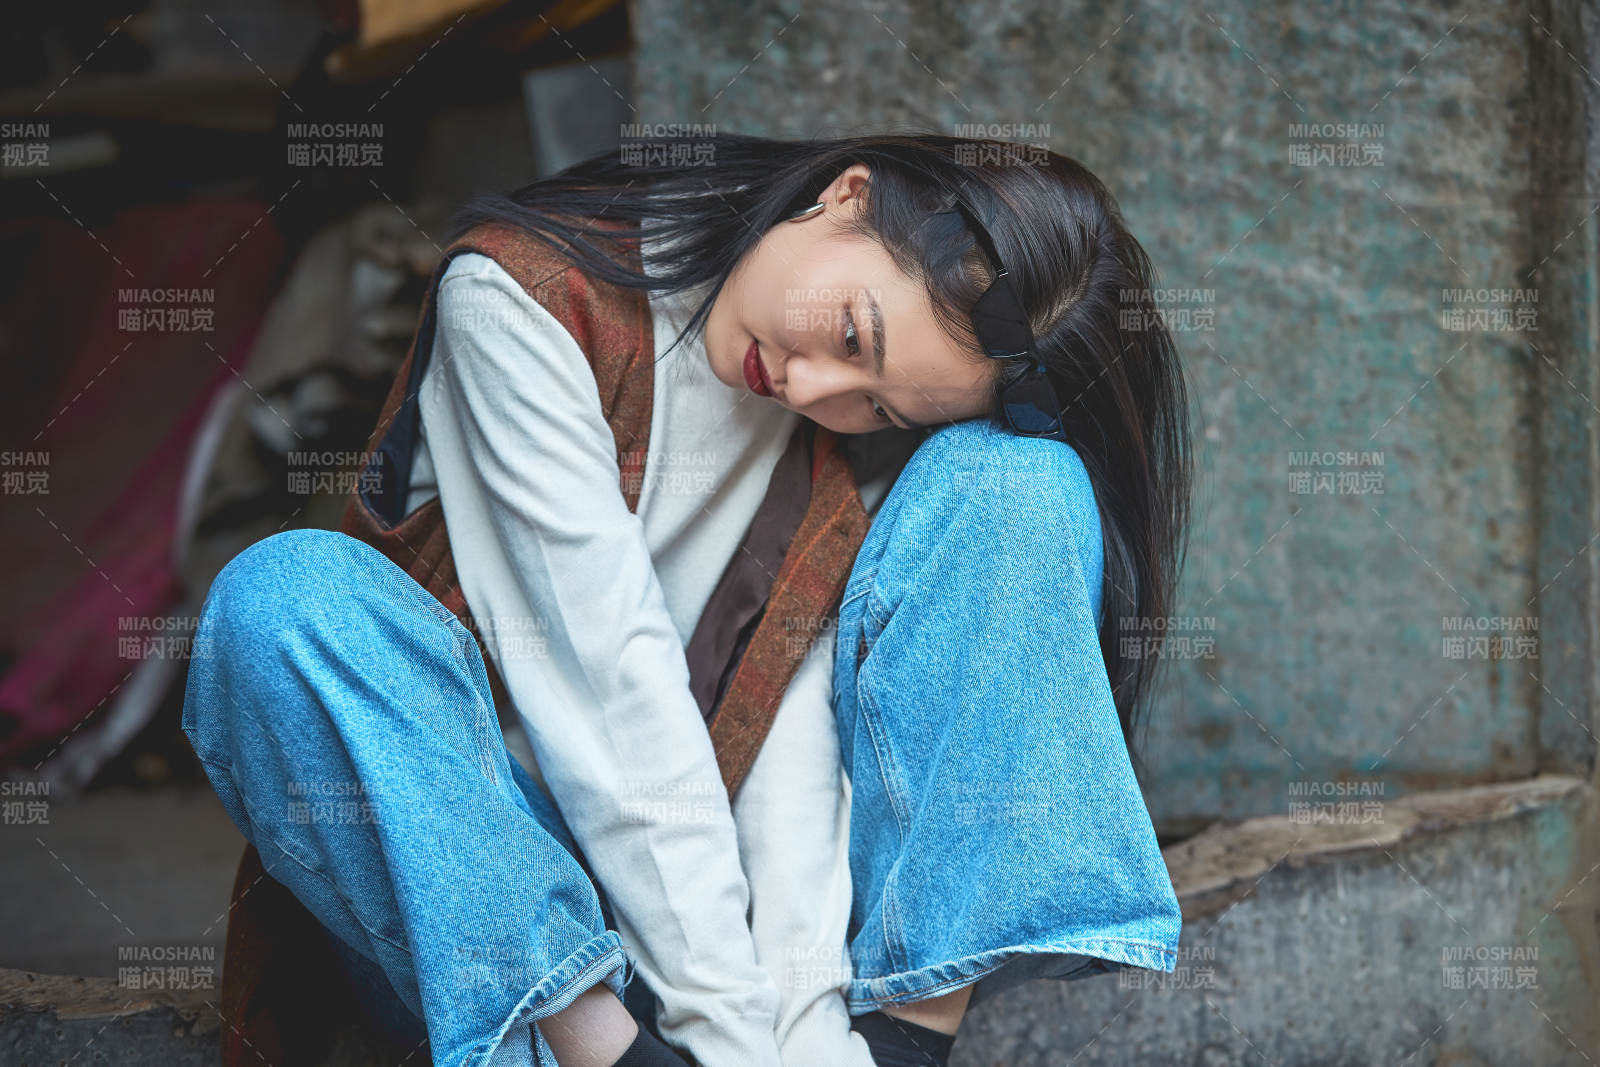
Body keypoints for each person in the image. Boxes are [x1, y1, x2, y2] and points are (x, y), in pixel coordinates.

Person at [181, 131, 1193, 1067]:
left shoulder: (858, 442)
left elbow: (797, 756)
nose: (814, 389)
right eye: (850, 331)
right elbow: (608, 690)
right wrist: (712, 1039)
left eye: (877, 399)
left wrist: (808, 1044)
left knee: (1017, 483)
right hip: (499, 908)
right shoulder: (523, 298)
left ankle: (905, 1035)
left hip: (757, 944)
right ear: (845, 195)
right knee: (284, 598)